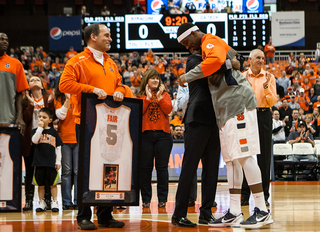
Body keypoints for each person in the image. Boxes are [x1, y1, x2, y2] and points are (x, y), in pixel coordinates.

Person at [175, 22, 273, 228]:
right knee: (231, 161)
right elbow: (232, 56)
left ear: (193, 33)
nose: (186, 47)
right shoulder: (207, 47)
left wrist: (188, 75)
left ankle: (262, 209)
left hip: (237, 104)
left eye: (186, 42)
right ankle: (235, 211)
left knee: (244, 156)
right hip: (224, 110)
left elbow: (222, 59)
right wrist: (231, 61)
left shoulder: (209, 40)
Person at [59, 23, 126, 230]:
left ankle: (105, 214)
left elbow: (120, 84)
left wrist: (121, 90)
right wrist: (91, 89)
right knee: (87, 169)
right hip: (86, 121)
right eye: (107, 35)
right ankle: (83, 216)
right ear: (93, 37)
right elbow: (64, 85)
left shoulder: (112, 63)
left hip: (110, 121)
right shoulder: (77, 61)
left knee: (108, 165)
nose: (110, 38)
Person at [172, 48, 221, 227]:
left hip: (213, 119)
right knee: (189, 167)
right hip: (196, 119)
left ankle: (206, 213)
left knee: (212, 169)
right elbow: (214, 72)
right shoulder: (193, 61)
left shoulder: (214, 61)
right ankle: (178, 214)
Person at [242, 49, 277, 207]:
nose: (261, 60)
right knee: (245, 156)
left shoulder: (269, 78)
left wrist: (265, 86)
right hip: (247, 115)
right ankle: (244, 195)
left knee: (264, 158)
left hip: (264, 115)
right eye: (258, 57)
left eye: (263, 58)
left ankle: (264, 196)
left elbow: (272, 102)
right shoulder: (242, 77)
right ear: (250, 59)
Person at [136, 69, 173, 209]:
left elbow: (168, 110)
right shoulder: (139, 97)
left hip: (163, 135)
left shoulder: (165, 95)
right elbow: (138, 112)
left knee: (162, 168)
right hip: (145, 135)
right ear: (147, 80)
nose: (155, 81)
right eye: (152, 78)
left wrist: (159, 97)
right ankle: (146, 199)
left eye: (157, 78)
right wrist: (147, 97)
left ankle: (162, 199)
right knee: (145, 169)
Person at [22, 76, 55, 211]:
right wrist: (31, 105)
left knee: (46, 172)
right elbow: (25, 119)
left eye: (37, 79)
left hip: (45, 142)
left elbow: (53, 118)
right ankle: (29, 200)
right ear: (28, 86)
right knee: (29, 172)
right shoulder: (25, 101)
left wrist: (51, 105)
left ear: (42, 85)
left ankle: (47, 200)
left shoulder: (48, 99)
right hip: (30, 141)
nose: (34, 81)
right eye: (31, 80)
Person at [31, 108, 63, 212]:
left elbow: (58, 147)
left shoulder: (53, 132)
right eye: (39, 116)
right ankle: (41, 202)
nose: (41, 119)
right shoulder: (35, 131)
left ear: (50, 120)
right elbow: (34, 141)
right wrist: (40, 129)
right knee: (41, 184)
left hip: (51, 162)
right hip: (39, 162)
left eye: (44, 117)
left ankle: (55, 202)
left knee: (53, 184)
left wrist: (58, 161)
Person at [54, 79, 78, 210]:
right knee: (67, 172)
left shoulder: (79, 95)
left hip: (79, 138)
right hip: (64, 139)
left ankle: (78, 201)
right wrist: (67, 100)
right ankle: (67, 202)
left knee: (77, 172)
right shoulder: (59, 98)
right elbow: (60, 116)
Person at [0, 32, 29, 134]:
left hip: (8, 119)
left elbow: (20, 93)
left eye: (6, 40)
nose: (5, 42)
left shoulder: (16, 64)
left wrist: (19, 116)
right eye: (1, 39)